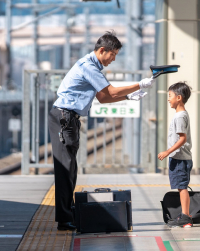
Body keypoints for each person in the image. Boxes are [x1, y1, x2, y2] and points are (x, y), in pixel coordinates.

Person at [48, 30, 155, 231]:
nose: (113, 59)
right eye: (113, 54)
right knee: (65, 169)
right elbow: (111, 91)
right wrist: (139, 84)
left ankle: (68, 213)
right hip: (64, 117)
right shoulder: (89, 67)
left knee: (70, 168)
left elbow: (104, 97)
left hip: (68, 118)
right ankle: (64, 218)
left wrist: (128, 97)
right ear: (102, 50)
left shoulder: (91, 65)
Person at [158, 82, 193, 228]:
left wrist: (167, 152)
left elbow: (182, 138)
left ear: (179, 97)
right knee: (181, 186)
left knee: (182, 187)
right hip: (181, 158)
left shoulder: (179, 116)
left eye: (170, 96)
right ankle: (186, 215)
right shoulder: (181, 114)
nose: (168, 99)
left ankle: (185, 217)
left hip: (179, 159)